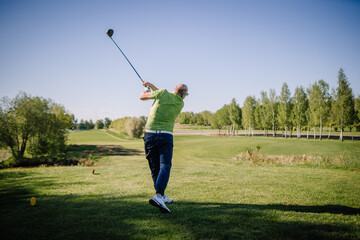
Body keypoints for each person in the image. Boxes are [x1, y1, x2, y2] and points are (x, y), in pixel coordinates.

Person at [140, 82, 188, 213]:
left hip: (150, 135)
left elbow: (142, 97)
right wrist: (150, 86)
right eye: (186, 95)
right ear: (183, 95)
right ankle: (159, 195)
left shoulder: (162, 94)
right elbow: (161, 93)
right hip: (165, 136)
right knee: (165, 165)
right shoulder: (179, 103)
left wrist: (146, 89)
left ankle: (160, 195)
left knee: (155, 167)